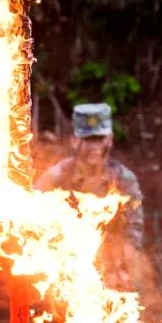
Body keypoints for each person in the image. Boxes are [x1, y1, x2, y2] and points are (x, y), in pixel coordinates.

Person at [36, 102, 145, 250]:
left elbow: (133, 232)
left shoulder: (123, 180)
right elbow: (34, 222)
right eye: (88, 139)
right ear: (74, 141)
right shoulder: (55, 178)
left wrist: (126, 263)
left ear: (109, 140)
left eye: (99, 139)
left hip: (111, 257)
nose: (94, 147)